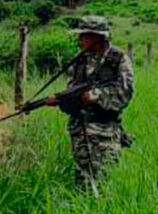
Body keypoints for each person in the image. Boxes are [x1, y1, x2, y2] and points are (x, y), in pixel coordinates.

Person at [47, 15, 134, 189]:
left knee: (106, 180)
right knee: (83, 181)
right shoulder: (80, 60)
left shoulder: (117, 59)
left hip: (105, 131)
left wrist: (98, 95)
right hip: (79, 129)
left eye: (84, 35)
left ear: (97, 37)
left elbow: (126, 93)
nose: (79, 39)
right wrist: (60, 100)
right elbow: (74, 93)